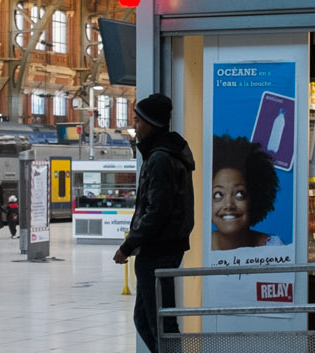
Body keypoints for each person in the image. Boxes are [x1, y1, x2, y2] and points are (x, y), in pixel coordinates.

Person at [114, 93, 196, 353]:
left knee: (161, 323)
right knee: (146, 319)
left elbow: (157, 210)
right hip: (160, 248)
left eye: (138, 121)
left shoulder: (160, 158)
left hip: (159, 249)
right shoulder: (162, 154)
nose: (135, 126)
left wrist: (128, 245)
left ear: (151, 123)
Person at [209, 135, 282, 250]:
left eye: (239, 194)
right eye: (218, 195)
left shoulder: (273, 248)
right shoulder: (196, 249)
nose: (228, 205)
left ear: (254, 199)